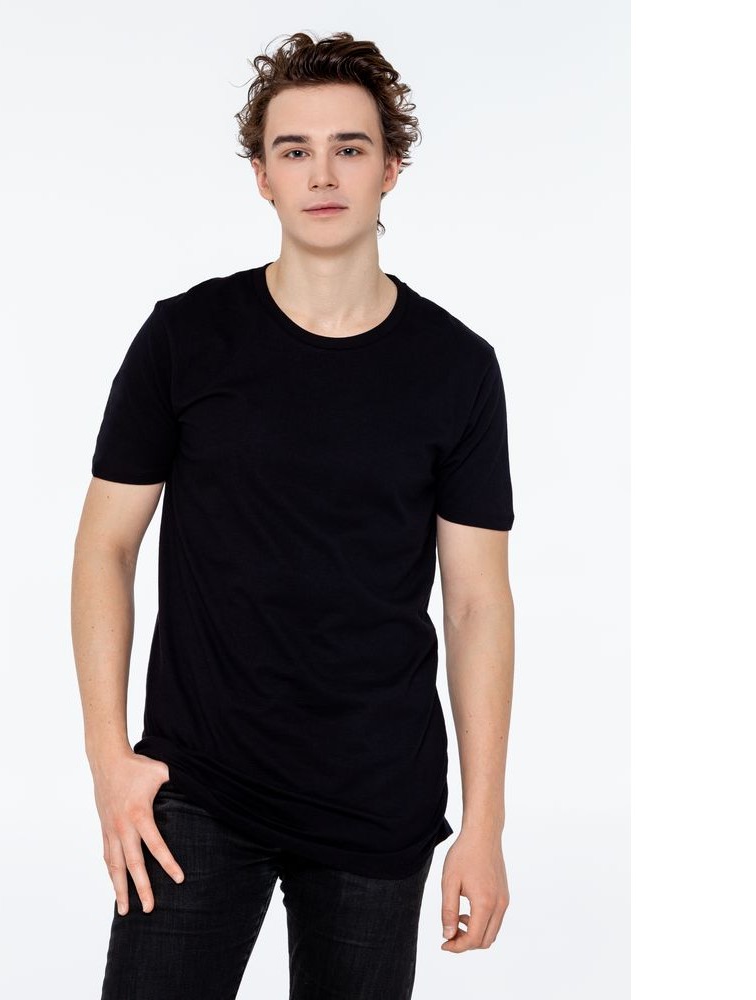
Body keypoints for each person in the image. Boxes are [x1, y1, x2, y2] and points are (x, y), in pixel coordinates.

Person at [71, 30, 516, 1000]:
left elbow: (478, 602)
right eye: (294, 149)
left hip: (376, 798)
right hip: (197, 788)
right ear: (262, 176)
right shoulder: (186, 339)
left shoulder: (455, 368)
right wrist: (110, 757)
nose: (322, 173)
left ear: (390, 168)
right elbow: (106, 545)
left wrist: (483, 824)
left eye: (349, 147)